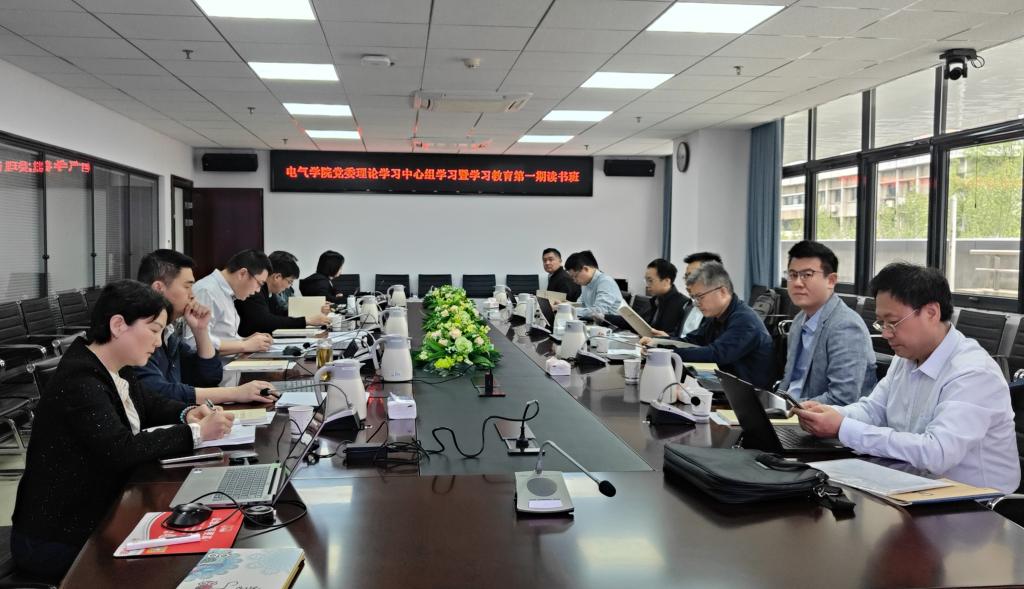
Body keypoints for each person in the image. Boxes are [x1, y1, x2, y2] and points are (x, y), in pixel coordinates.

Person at [11, 280, 234, 582]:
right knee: (175, 567)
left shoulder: (116, 366)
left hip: (101, 513)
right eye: (153, 330)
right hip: (58, 536)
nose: (158, 342)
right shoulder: (80, 379)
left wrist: (186, 412)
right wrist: (196, 433)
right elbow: (121, 449)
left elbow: (149, 403)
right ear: (118, 325)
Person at [794, 263, 1020, 494]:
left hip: (976, 504)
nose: (885, 333)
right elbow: (874, 410)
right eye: (881, 323)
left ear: (931, 313)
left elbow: (937, 453)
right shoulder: (907, 357)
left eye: (892, 322)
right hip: (913, 484)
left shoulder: (973, 373)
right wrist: (830, 415)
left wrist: (843, 428)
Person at [135, 249, 275, 405]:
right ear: (158, 288)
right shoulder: (138, 335)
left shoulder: (169, 335)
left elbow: (210, 377)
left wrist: (201, 330)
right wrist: (235, 393)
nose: (192, 295)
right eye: (187, 287)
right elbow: (160, 392)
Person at [643, 262, 775, 389]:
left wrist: (666, 353)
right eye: (694, 298)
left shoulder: (745, 321)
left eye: (700, 297)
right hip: (723, 382)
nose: (696, 303)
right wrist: (658, 343)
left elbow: (715, 354)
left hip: (749, 394)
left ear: (722, 292)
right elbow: (693, 340)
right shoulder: (717, 315)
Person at [778, 241, 875, 405]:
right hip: (790, 410)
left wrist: (792, 409)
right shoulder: (799, 320)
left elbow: (842, 398)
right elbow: (789, 382)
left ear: (831, 280)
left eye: (807, 275)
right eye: (793, 275)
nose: (797, 283)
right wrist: (773, 404)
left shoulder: (846, 326)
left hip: (820, 416)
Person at [187, 249, 273, 355]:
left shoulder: (227, 293)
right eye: (259, 284)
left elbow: (222, 337)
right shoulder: (206, 291)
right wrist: (244, 345)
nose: (258, 290)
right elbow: (193, 343)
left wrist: (246, 341)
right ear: (242, 273)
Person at [237, 250, 330, 337]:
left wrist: (317, 308)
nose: (288, 287)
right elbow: (266, 321)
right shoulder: (254, 290)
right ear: (277, 277)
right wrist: (306, 321)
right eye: (289, 282)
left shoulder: (270, 293)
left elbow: (280, 315)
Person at [564, 250, 625, 320]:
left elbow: (598, 311)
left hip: (611, 325)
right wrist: (564, 306)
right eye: (572, 278)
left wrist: (569, 310)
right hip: (596, 323)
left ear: (586, 269)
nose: (574, 280)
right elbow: (581, 304)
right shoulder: (586, 283)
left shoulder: (605, 282)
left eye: (575, 276)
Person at [640, 258, 687, 335]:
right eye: (646, 280)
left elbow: (680, 336)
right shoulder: (654, 300)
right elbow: (638, 321)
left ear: (666, 281)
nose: (647, 285)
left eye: (650, 280)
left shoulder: (683, 304)